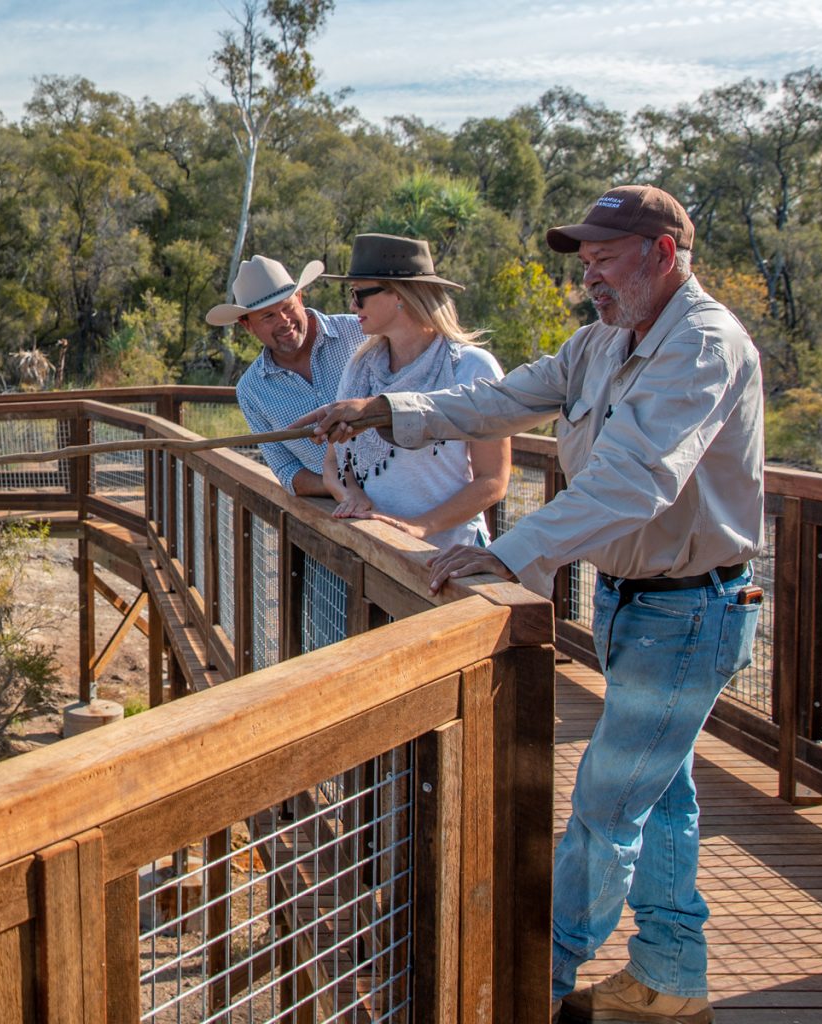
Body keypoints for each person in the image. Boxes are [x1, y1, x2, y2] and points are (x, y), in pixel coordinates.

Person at [298, 185, 764, 1024]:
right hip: (634, 601)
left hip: (690, 608)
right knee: (660, 799)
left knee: (604, 804)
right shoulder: (601, 343)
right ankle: (670, 974)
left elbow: (633, 480)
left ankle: (530, 980)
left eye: (605, 259)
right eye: (584, 262)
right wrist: (381, 409)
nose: (589, 276)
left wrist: (507, 552)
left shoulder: (700, 345)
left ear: (663, 255)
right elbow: (500, 401)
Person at [320, 234, 509, 549]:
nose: (352, 305)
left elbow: (493, 480)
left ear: (399, 296)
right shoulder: (360, 368)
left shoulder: (472, 368)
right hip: (377, 547)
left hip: (451, 555)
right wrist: (351, 496)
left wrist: (417, 527)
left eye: (358, 293)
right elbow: (334, 462)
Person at [211, 254, 363, 497]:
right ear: (247, 325)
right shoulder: (251, 390)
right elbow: (286, 469)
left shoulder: (360, 332)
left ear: (300, 298)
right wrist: (343, 490)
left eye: (287, 307)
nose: (284, 321)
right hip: (341, 519)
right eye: (268, 316)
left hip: (412, 495)